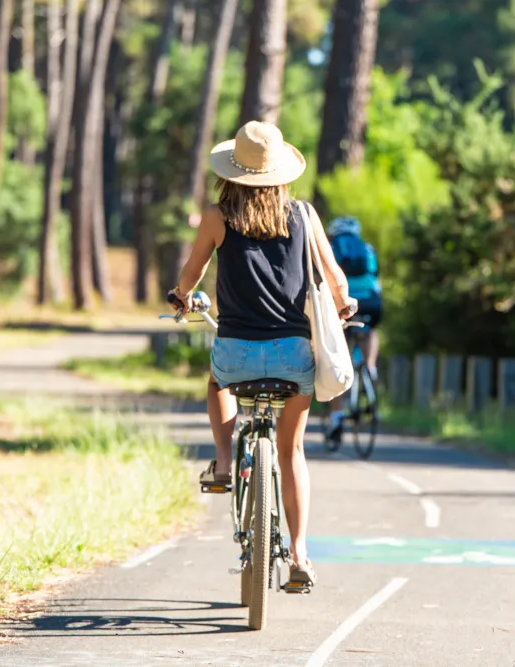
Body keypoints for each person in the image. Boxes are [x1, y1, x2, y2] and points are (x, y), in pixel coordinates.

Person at [168, 120, 357, 587]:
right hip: (294, 356)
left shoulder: (217, 218)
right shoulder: (304, 214)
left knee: (217, 382)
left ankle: (225, 462)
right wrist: (343, 304)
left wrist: (181, 296)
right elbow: (334, 278)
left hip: (237, 353)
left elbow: (191, 274)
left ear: (232, 171)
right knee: (291, 450)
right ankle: (299, 555)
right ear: (280, 172)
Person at [324, 216, 382, 442]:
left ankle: (336, 416)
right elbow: (375, 276)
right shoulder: (368, 249)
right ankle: (370, 366)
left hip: (345, 301)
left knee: (336, 357)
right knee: (371, 329)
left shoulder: (331, 247)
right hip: (372, 302)